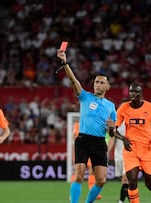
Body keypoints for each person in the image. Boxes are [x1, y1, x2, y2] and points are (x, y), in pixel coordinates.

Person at [57, 49, 117, 203]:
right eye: (96, 82)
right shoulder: (85, 97)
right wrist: (64, 63)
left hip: (99, 143)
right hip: (83, 140)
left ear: (107, 87)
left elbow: (112, 132)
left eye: (102, 82)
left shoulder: (111, 107)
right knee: (78, 174)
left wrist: (111, 129)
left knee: (101, 180)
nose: (98, 84)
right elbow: (74, 80)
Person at [109, 82, 151, 203]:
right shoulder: (123, 108)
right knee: (132, 180)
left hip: (147, 148)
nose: (133, 94)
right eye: (131, 91)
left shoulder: (150, 108)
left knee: (150, 183)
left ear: (141, 94)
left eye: (135, 91)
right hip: (131, 149)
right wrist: (123, 138)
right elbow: (113, 130)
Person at [70, 121, 102, 200]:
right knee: (78, 173)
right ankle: (72, 194)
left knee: (92, 170)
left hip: (91, 149)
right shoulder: (77, 125)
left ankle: (92, 189)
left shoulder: (93, 123)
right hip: (80, 150)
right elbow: (74, 137)